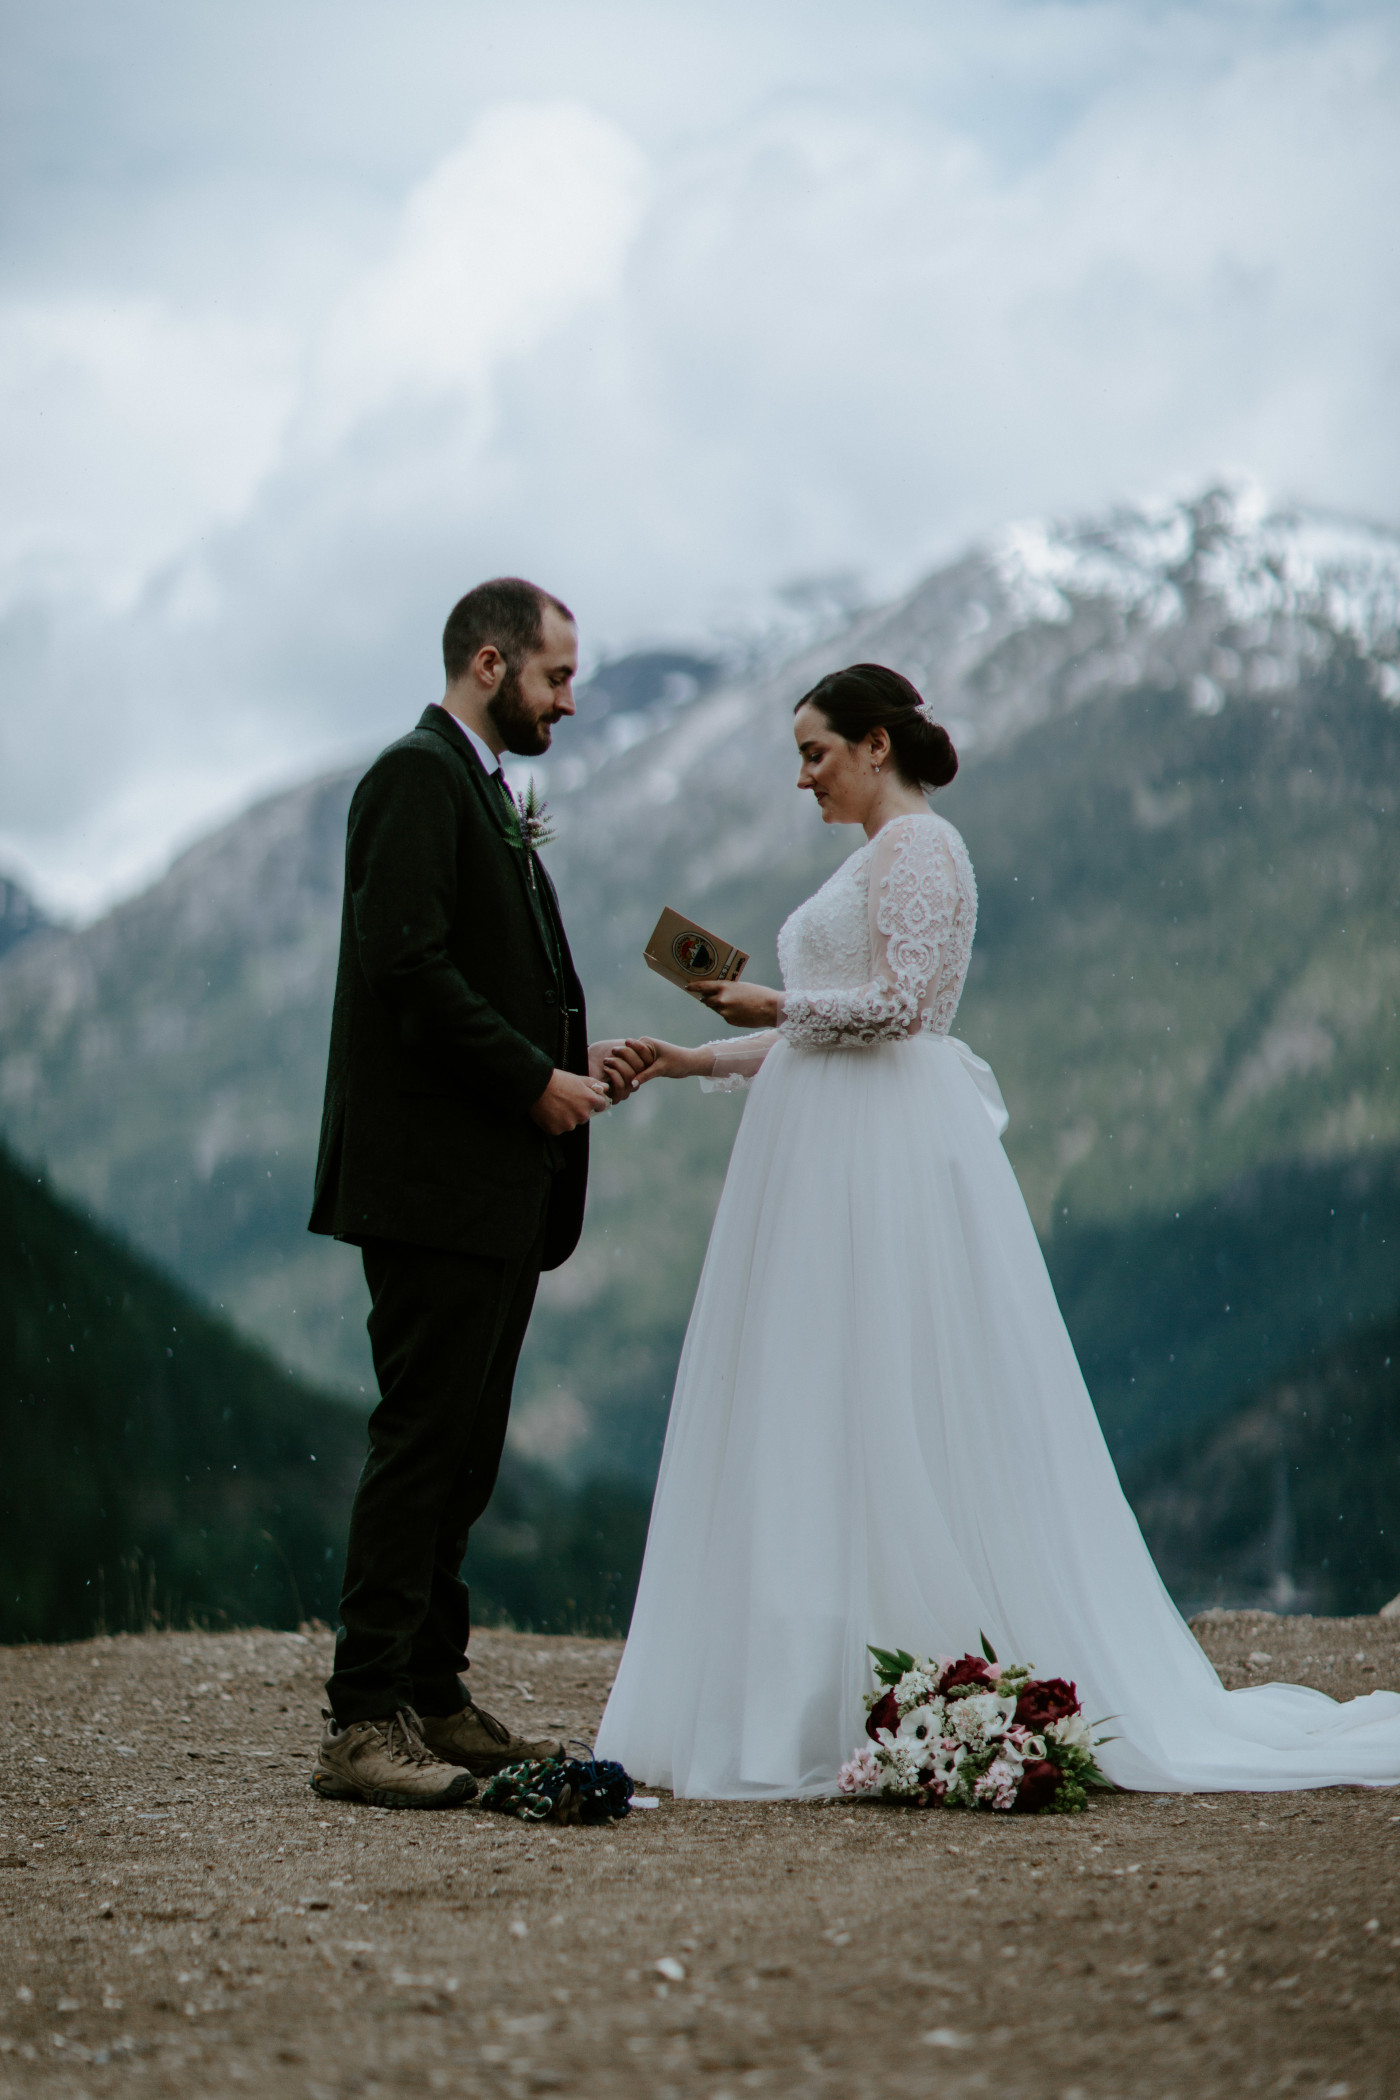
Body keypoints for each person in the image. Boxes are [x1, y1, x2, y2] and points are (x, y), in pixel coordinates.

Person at [595, 661, 1400, 1799]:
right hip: (829, 1148)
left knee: (885, 1389)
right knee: (826, 1397)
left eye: (815, 752)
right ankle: (835, 1680)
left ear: (876, 746)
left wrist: (769, 1002)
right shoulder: (875, 857)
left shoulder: (921, 847)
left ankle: (893, 1667)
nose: (802, 775)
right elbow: (825, 1031)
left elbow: (907, 1008)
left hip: (876, 1158)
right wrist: (689, 1056)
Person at [308, 577, 649, 1808]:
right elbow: (405, 966)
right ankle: (359, 1723)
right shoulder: (412, 777)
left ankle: (432, 1694)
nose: (569, 698)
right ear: (490, 663)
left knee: (463, 1452)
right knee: (420, 1442)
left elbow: (481, 974)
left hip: (493, 1179)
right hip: (432, 1183)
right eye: (557, 676)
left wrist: (572, 1066)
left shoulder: (482, 789)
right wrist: (529, 1085)